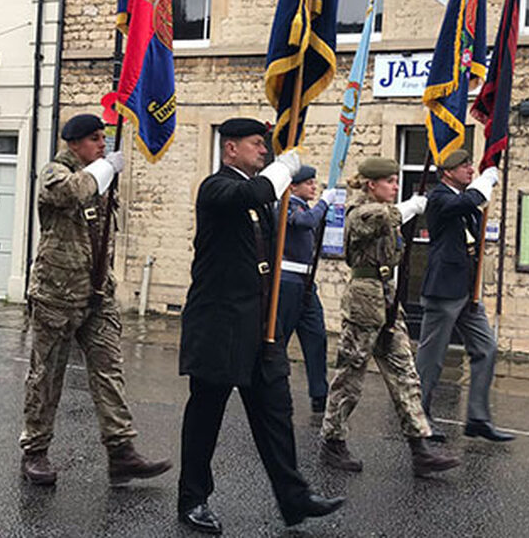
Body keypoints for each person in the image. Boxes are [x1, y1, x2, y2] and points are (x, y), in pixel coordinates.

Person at [178, 117, 344, 535]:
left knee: (275, 413)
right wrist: (285, 170)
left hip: (258, 326)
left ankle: (294, 497)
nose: (264, 151)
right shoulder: (217, 188)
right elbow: (255, 191)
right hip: (219, 325)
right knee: (206, 415)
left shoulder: (259, 198)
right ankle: (193, 498)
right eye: (256, 144)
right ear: (229, 148)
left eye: (264, 145)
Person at [19, 114, 171, 487]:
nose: (103, 144)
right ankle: (35, 451)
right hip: (57, 294)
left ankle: (121, 453)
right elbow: (72, 192)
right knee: (46, 376)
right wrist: (105, 167)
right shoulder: (56, 173)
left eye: (104, 138)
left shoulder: (101, 177)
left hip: (97, 293)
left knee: (109, 371)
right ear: (73, 144)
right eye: (94, 139)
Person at [319, 157, 460, 477]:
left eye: (397, 180)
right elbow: (385, 217)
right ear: (372, 185)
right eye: (390, 181)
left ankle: (420, 447)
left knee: (405, 372)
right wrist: (414, 204)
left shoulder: (385, 212)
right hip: (364, 299)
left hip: (387, 296)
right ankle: (333, 440)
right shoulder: (361, 212)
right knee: (351, 375)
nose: (396, 186)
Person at [415, 149, 514, 443]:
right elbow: (468, 201)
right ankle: (417, 417)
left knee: (486, 347)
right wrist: (485, 181)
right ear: (447, 172)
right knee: (431, 359)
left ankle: (478, 418)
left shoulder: (460, 198)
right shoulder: (439, 198)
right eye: (465, 166)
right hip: (444, 289)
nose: (471, 170)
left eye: (472, 165)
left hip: (467, 289)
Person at [276, 165, 338, 417]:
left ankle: (319, 393)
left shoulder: (303, 205)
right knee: (280, 338)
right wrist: (323, 204)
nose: (314, 187)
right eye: (309, 183)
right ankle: (271, 387)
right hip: (287, 282)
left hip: (306, 283)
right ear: (293, 187)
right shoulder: (287, 205)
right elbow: (305, 222)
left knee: (316, 336)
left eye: (315, 183)